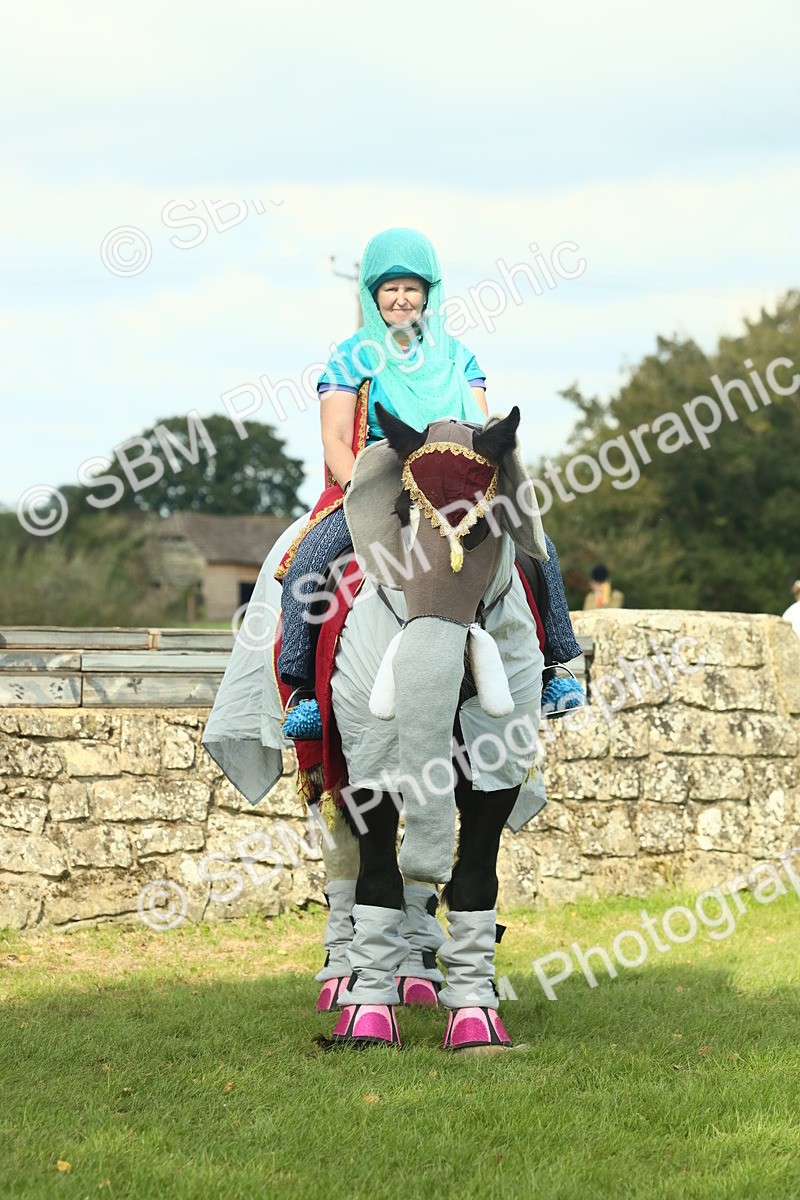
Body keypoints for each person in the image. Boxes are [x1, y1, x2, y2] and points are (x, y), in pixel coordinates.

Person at [276, 227, 583, 718]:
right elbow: (334, 437)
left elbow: (479, 427)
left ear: (429, 293)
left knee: (536, 544)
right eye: (390, 288)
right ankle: (305, 691)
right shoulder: (353, 355)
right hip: (381, 476)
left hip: (456, 480)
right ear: (372, 293)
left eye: (411, 287)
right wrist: (360, 491)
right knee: (313, 555)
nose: (401, 298)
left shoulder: (458, 356)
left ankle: (553, 668)